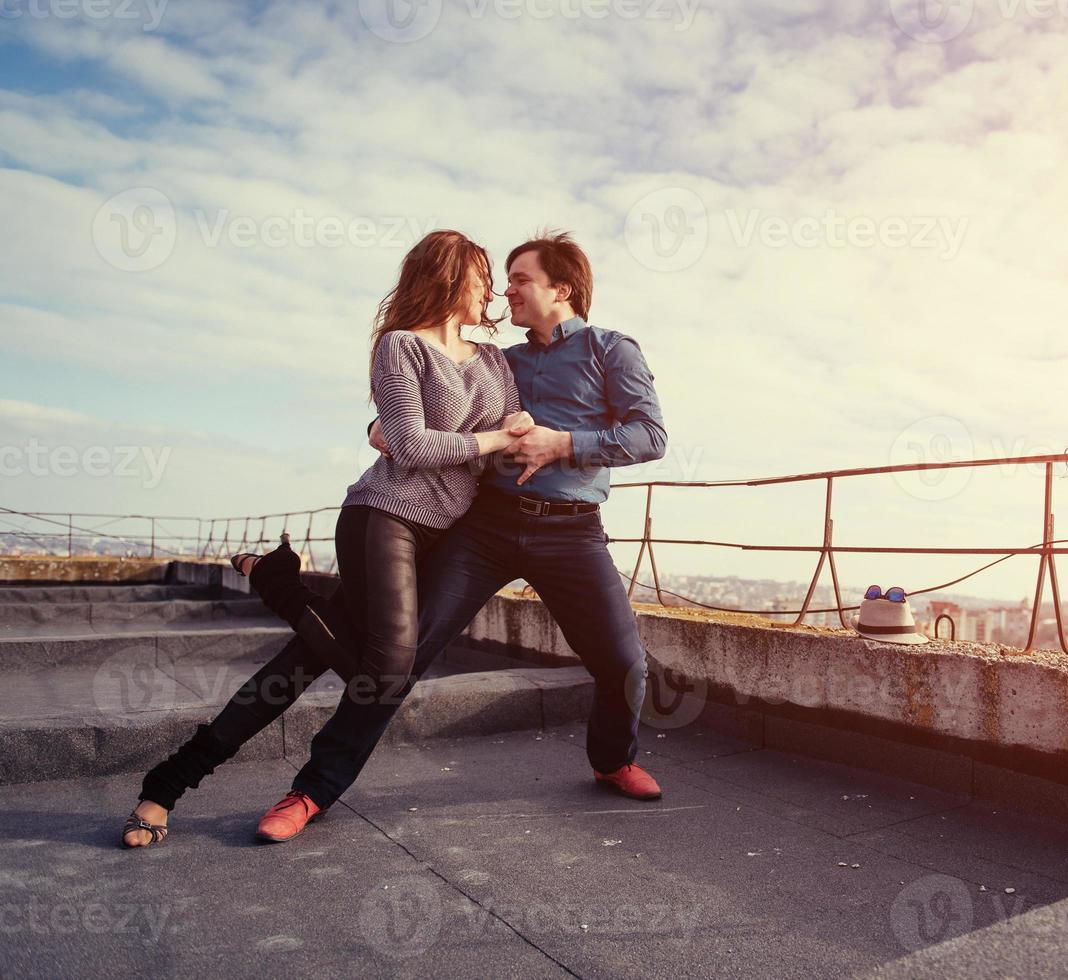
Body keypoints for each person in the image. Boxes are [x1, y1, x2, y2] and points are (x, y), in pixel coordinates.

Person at [121, 229, 527, 847]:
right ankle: (279, 587)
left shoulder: (495, 361)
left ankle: (165, 786)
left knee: (306, 658)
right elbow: (411, 448)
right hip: (384, 516)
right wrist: (494, 439)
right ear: (450, 276)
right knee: (390, 670)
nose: (492, 291)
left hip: (447, 533)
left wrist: (510, 439)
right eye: (483, 276)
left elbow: (503, 445)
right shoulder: (401, 348)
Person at [277, 229, 667, 840]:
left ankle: (613, 761)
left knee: (624, 664)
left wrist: (563, 443)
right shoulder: (497, 360)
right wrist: (381, 423)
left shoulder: (610, 350)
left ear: (561, 288)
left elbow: (651, 437)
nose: (504, 291)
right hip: (483, 526)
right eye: (502, 279)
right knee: (401, 657)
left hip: (572, 533)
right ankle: (311, 791)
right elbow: (424, 413)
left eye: (519, 280)